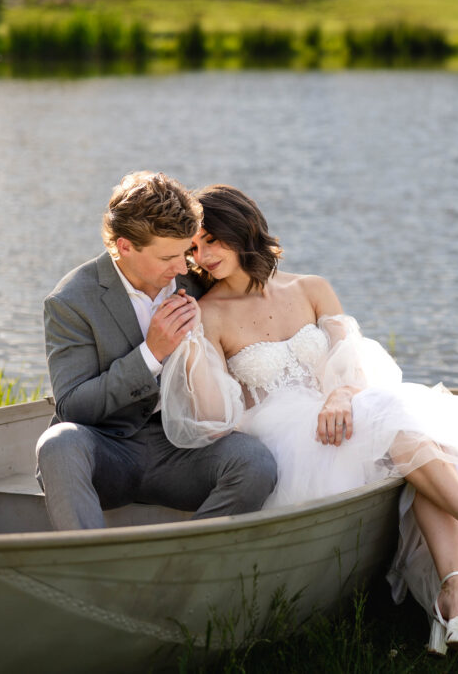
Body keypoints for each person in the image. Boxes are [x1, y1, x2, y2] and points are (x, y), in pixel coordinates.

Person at [161, 184, 458, 668]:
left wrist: (340, 393)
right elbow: (212, 416)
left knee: (421, 443)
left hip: (344, 411)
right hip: (289, 439)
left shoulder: (309, 289)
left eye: (211, 238)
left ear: (241, 228)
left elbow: (352, 364)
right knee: (420, 443)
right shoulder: (208, 313)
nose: (203, 253)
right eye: (195, 247)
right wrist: (189, 348)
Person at [36, 172, 277, 530]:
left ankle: (184, 566)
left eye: (185, 252)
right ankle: (86, 574)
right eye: (168, 257)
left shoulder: (196, 282)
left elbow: (259, 305)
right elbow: (73, 405)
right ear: (125, 246)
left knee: (255, 462)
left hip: (183, 451)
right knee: (57, 444)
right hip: (108, 451)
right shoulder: (71, 301)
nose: (182, 267)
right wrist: (150, 354)